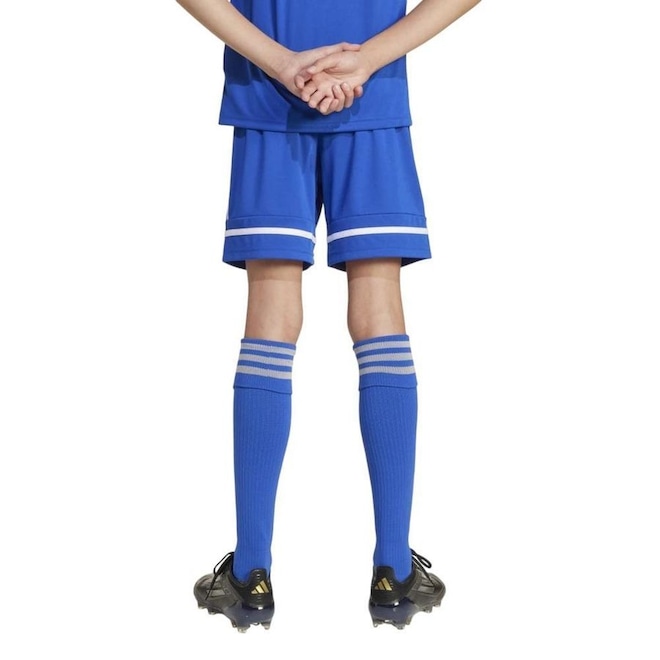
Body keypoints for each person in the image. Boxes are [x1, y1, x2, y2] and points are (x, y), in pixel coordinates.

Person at [175, 0, 482, 631]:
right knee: (379, 312)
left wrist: (282, 63)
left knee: (270, 317)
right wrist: (366, 59)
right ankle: (393, 568)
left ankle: (251, 572)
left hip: (267, 98)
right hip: (371, 98)